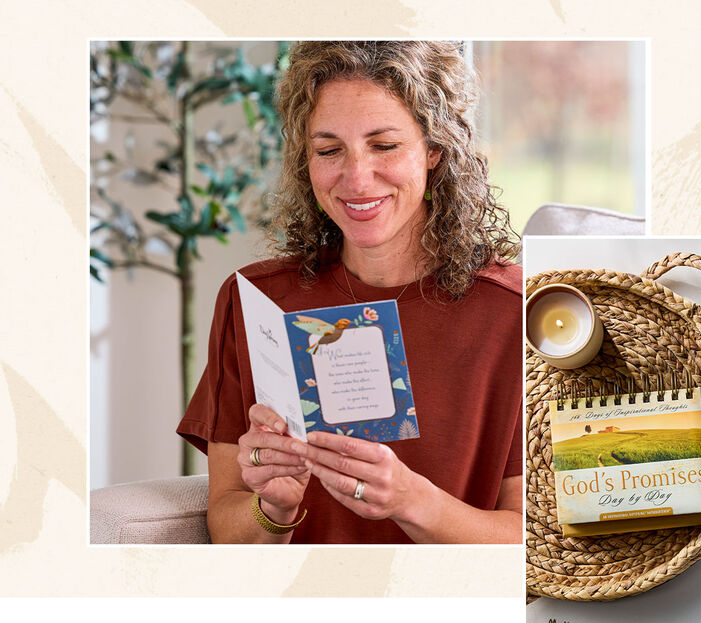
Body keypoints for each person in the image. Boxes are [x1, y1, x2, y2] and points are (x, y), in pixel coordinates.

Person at [176, 41, 523, 544]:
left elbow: (540, 550)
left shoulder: (514, 313)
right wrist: (273, 505)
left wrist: (410, 499)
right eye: (329, 150)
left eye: (384, 146)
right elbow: (229, 532)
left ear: (434, 149)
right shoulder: (254, 300)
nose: (357, 179)